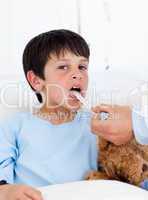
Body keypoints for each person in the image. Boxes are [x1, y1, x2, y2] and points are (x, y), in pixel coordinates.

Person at [0, 29, 98, 200]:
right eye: (63, 67)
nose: (78, 74)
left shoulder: (97, 126)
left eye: (82, 66)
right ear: (36, 80)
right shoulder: (14, 126)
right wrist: (5, 191)